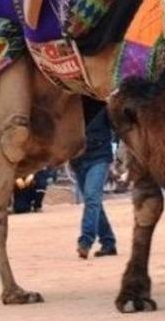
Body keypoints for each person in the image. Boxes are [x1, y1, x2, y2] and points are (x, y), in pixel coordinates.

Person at [70, 98, 116, 259]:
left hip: (99, 157)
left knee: (91, 198)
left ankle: (85, 241)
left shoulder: (103, 105)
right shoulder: (70, 107)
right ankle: (108, 242)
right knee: (94, 202)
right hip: (78, 160)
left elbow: (119, 128)